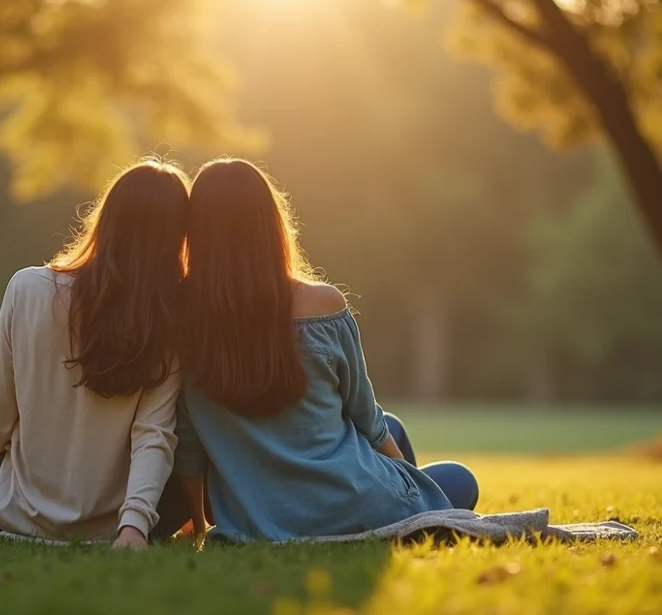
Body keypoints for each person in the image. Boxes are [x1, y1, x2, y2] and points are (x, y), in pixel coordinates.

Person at [172, 157, 479, 542]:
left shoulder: (181, 321)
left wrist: (200, 525)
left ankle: (405, 520)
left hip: (261, 515)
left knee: (396, 426)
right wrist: (413, 494)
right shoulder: (324, 305)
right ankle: (405, 526)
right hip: (353, 501)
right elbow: (366, 418)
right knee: (458, 478)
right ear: (270, 224)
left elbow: (188, 444)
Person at [0, 159, 190, 549]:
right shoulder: (170, 317)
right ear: (177, 237)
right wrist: (132, 528)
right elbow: (154, 436)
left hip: (14, 521)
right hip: (115, 527)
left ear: (107, 219)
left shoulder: (27, 288)